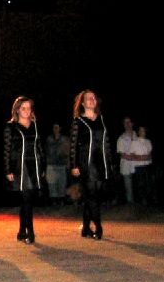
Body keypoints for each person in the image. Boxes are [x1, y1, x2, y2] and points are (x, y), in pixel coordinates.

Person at [70, 90, 111, 240]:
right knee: (92, 196)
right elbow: (73, 145)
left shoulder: (102, 119)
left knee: (93, 197)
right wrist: (74, 165)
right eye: (88, 98)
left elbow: (107, 143)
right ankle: (98, 228)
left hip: (101, 163)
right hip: (86, 163)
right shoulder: (78, 121)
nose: (92, 100)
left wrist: (109, 163)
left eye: (93, 97)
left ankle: (86, 228)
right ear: (82, 103)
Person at [4, 96, 44, 244]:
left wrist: (43, 166)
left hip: (34, 165)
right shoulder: (11, 127)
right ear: (17, 110)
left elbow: (40, 147)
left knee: (27, 200)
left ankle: (22, 230)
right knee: (26, 199)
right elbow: (7, 150)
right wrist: (8, 170)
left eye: (29, 108)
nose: (26, 111)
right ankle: (30, 232)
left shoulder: (35, 126)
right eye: (23, 108)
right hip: (20, 166)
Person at [45, 123, 70, 205]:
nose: (55, 129)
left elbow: (68, 152)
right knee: (52, 185)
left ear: (60, 128)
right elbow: (46, 152)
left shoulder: (65, 139)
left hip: (62, 165)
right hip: (51, 165)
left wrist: (68, 164)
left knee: (62, 184)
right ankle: (54, 203)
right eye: (54, 127)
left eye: (57, 127)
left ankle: (61, 202)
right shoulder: (49, 139)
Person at [129, 126, 153, 205]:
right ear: (138, 132)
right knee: (141, 184)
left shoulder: (148, 141)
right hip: (139, 166)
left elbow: (150, 155)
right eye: (141, 130)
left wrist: (145, 157)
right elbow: (131, 155)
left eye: (144, 130)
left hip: (148, 165)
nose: (143, 132)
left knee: (148, 183)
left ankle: (149, 199)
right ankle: (142, 200)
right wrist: (141, 158)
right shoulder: (134, 142)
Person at [117, 117, 138, 203]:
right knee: (128, 188)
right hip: (126, 167)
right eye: (125, 122)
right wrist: (135, 157)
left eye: (129, 122)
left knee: (138, 187)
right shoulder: (121, 138)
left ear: (132, 123)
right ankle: (130, 205)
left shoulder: (137, 135)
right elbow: (122, 155)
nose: (127, 124)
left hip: (138, 166)